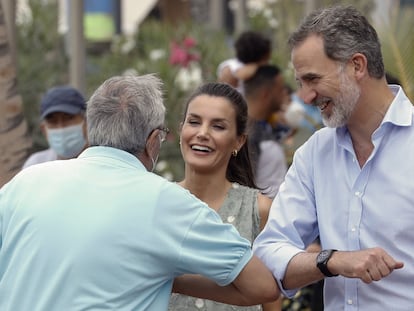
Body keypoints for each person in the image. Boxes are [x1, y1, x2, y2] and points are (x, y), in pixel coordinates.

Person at [0, 74, 280, 310]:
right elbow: (263, 288)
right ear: (153, 141)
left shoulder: (25, 182)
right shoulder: (168, 203)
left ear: (91, 127)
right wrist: (166, 278)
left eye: (218, 125)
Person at [253, 5, 413, 310]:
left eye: (313, 79)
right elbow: (269, 252)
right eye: (300, 82)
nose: (305, 97)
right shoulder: (314, 154)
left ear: (357, 65)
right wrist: (332, 261)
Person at [169, 82, 281, 311]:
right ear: (181, 130)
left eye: (218, 126)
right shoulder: (157, 202)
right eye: (194, 122)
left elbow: (270, 298)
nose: (202, 133)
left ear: (239, 141)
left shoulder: (259, 210)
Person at [244, 65, 288, 199]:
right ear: (266, 94)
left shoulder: (266, 127)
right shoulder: (247, 134)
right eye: (280, 89)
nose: (284, 94)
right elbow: (244, 185)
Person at [22, 85, 88, 169]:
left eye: (68, 118)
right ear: (44, 130)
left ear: (87, 123)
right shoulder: (35, 165)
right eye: (52, 121)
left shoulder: (103, 161)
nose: (61, 127)